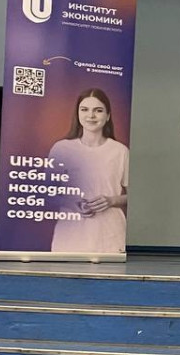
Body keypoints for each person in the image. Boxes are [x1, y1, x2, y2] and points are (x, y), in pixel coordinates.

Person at [49, 88, 129, 254]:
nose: (91, 116)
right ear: (78, 114)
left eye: (98, 110)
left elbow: (136, 196)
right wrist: (72, 203)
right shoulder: (61, 149)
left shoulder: (120, 151)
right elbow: (46, 193)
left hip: (110, 234)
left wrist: (112, 200)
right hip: (70, 235)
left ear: (108, 116)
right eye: (84, 109)